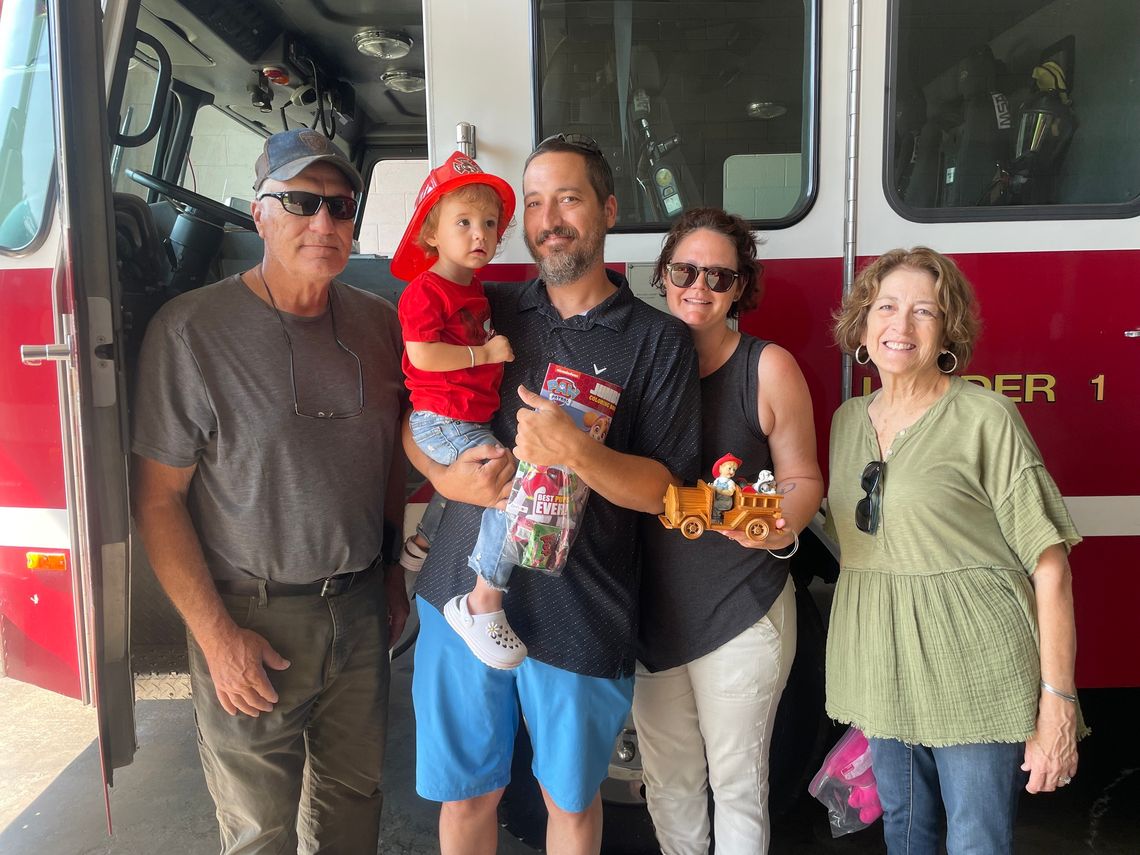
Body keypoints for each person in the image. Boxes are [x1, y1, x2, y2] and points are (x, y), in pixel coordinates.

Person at [404, 134, 701, 855]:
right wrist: (443, 477)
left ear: (605, 210)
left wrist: (579, 452)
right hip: (458, 595)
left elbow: (663, 489)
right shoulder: (489, 308)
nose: (548, 219)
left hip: (582, 604)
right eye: (534, 204)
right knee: (468, 794)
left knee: (569, 802)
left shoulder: (659, 340)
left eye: (567, 198)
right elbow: (414, 417)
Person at [130, 128, 410, 855]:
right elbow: (157, 498)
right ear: (259, 214)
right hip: (251, 620)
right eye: (300, 201)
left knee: (355, 807)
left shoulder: (381, 327)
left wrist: (387, 573)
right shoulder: (191, 331)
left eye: (340, 207)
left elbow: (388, 464)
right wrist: (217, 638)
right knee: (259, 831)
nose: (324, 223)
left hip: (356, 610)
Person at [826, 247, 1085, 854]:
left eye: (925, 311)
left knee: (976, 840)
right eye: (886, 307)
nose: (902, 325)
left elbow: (1050, 567)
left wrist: (1058, 705)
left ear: (948, 332)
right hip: (883, 666)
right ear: (863, 324)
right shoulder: (846, 421)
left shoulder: (984, 417)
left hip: (973, 663)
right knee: (903, 831)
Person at [634, 207, 823, 855]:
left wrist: (778, 525)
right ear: (662, 274)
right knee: (668, 785)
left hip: (743, 613)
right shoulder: (637, 366)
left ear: (741, 287)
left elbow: (803, 478)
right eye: (686, 270)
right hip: (652, 620)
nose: (700, 287)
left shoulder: (768, 368)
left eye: (720, 276)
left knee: (738, 786)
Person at [391, 151, 527, 669]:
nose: (480, 235)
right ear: (431, 233)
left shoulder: (473, 290)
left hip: (465, 416)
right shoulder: (425, 291)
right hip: (443, 418)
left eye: (490, 224)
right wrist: (484, 354)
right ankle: (481, 600)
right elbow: (422, 355)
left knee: (470, 478)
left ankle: (424, 539)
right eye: (464, 222)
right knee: (508, 490)